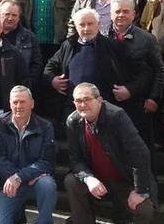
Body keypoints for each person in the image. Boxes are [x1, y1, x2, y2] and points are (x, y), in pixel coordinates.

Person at [64, 83, 155, 224]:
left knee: (144, 208)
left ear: (99, 100)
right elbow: (75, 160)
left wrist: (139, 191)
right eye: (78, 101)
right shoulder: (73, 121)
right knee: (71, 181)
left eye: (87, 99)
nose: (82, 104)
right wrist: (88, 178)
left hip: (124, 180)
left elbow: (140, 153)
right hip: (98, 181)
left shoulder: (116, 116)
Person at [44, 9, 151, 118]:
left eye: (90, 24)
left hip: (105, 110)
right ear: (76, 27)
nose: (86, 28)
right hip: (73, 109)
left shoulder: (114, 46)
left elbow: (144, 72)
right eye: (82, 25)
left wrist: (129, 90)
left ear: (98, 24)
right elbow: (49, 67)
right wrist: (53, 80)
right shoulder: (68, 46)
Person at [0, 86, 57, 224]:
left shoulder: (45, 126)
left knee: (47, 184)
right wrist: (16, 178)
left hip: (34, 182)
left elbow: (46, 161)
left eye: (23, 102)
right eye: (15, 102)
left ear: (32, 103)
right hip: (8, 183)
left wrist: (20, 176)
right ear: (10, 104)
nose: (18, 106)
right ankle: (17, 214)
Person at [109, 0, 164, 147]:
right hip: (110, 103)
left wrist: (154, 98)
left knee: (140, 147)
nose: (121, 15)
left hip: (139, 103)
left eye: (126, 11)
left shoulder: (147, 39)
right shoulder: (102, 37)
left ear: (134, 14)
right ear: (110, 13)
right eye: (117, 11)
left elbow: (159, 70)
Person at [0, 0, 43, 86]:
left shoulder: (29, 37)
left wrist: (30, 83)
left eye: (14, 15)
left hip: (20, 87)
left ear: (19, 17)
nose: (10, 18)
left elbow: (36, 64)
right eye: (7, 14)